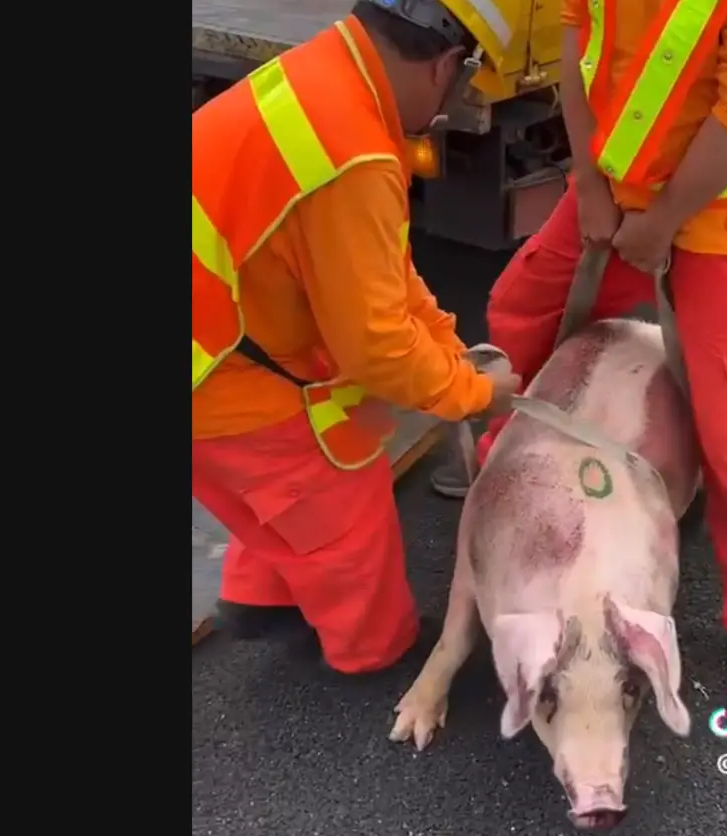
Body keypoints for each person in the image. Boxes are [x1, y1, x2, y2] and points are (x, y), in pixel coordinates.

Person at [431, 0, 727, 710]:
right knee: (522, 306)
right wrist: (588, 184)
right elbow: (577, 36)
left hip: (716, 218)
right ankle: (510, 460)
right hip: (615, 191)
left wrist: (666, 222)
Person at [191, 0, 522, 674]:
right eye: (465, 83)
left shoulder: (328, 75)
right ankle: (374, 651)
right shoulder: (355, 153)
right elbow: (375, 349)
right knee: (339, 495)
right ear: (446, 62)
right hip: (216, 374)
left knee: (282, 500)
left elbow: (382, 271)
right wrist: (472, 394)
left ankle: (263, 596)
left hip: (221, 333)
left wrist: (447, 343)